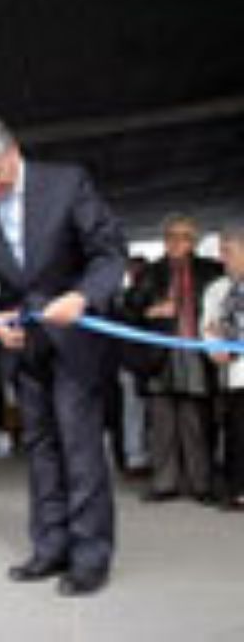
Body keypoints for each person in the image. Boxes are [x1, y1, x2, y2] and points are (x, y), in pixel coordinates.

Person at [0, 115, 126, 597]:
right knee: (41, 447)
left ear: (13, 152)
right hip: (23, 345)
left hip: (74, 337)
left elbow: (110, 254)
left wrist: (83, 297)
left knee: (80, 446)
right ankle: (50, 547)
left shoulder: (68, 183)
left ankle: (90, 556)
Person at [126, 214, 222, 504]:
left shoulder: (212, 271)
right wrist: (148, 312)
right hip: (161, 354)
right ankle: (164, 482)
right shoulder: (149, 273)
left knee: (196, 421)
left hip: (197, 352)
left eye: (183, 236)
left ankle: (200, 484)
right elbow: (128, 307)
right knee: (162, 421)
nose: (176, 242)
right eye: (170, 236)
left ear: (193, 241)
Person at [200, 223, 244, 510]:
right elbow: (209, 325)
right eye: (222, 251)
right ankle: (236, 490)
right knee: (235, 432)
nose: (223, 257)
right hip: (230, 374)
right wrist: (214, 347)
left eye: (229, 251)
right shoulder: (217, 289)